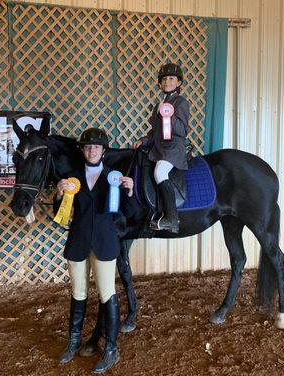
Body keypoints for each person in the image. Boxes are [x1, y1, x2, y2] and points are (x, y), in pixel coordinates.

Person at [54, 127, 137, 373]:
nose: (92, 150)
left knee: (106, 293)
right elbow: (60, 217)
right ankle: (73, 342)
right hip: (78, 241)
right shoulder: (72, 178)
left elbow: (129, 212)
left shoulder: (114, 177)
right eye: (88, 147)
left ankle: (111, 349)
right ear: (83, 150)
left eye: (97, 147)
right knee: (78, 292)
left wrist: (130, 190)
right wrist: (59, 195)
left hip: (104, 242)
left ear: (103, 151)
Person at [133, 63, 190, 233]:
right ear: (159, 83)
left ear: (178, 82)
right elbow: (156, 132)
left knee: (160, 172)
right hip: (158, 148)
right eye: (164, 79)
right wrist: (144, 140)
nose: (167, 81)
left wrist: (169, 115)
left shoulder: (181, 102)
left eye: (171, 78)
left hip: (173, 149)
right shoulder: (160, 103)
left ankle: (172, 219)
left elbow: (183, 130)